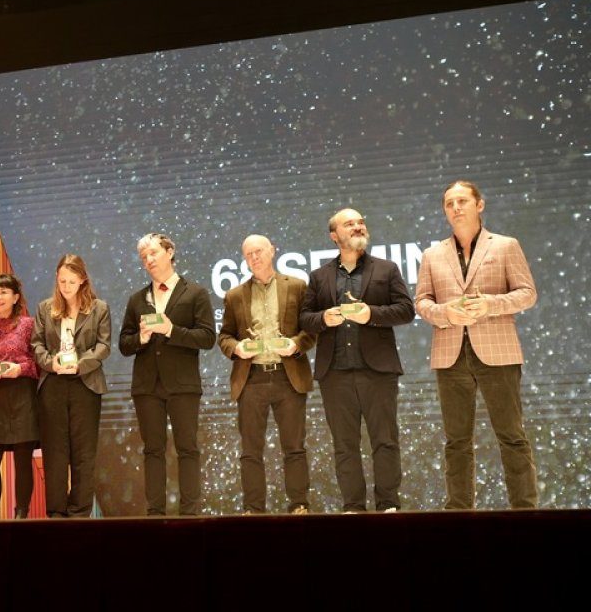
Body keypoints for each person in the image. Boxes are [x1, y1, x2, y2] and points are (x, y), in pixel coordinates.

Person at [415, 180, 538, 509]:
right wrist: (445, 313)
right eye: (449, 203)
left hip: (497, 352)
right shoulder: (432, 254)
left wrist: (490, 305)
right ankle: (458, 512)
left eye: (462, 201)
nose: (455, 207)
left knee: (511, 436)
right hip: (450, 355)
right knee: (456, 441)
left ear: (479, 205)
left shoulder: (505, 245)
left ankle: (526, 511)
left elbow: (527, 293)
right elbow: (422, 302)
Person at [299, 209, 415, 512]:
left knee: (385, 440)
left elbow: (406, 310)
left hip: (378, 371)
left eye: (361, 221)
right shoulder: (319, 276)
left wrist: (371, 315)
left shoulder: (386, 269)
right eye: (349, 223)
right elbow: (304, 319)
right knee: (344, 446)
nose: (358, 226)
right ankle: (353, 507)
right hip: (334, 373)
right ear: (334, 236)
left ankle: (388, 505)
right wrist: (323, 317)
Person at [218, 235, 317, 514]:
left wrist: (295, 344)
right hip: (251, 379)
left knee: (294, 447)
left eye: (259, 251)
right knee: (250, 451)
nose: (254, 257)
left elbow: (311, 330)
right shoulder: (235, 294)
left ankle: (299, 505)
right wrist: (237, 348)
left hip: (289, 376)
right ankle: (253, 510)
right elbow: (224, 335)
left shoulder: (297, 286)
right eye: (248, 254)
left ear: (272, 251)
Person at [119, 234, 215, 516]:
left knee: (188, 448)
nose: (148, 260)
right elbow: (124, 344)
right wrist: (142, 337)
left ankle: (190, 513)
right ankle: (155, 513)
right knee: (152, 450)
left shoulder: (195, 293)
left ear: (170, 252)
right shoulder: (137, 298)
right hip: (147, 386)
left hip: (183, 384)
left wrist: (172, 330)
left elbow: (208, 337)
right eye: (144, 257)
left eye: (153, 253)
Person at [31, 254, 112, 518]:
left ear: (82, 280)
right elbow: (37, 345)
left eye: (71, 281)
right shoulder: (45, 308)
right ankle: (55, 513)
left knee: (83, 453)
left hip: (85, 385)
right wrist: (50, 362)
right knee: (55, 452)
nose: (66, 286)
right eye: (62, 281)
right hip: (53, 385)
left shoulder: (99, 308)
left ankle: (79, 513)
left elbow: (103, 347)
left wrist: (80, 363)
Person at [0, 274, 40, 519]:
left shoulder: (28, 325)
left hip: (24, 397)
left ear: (15, 297)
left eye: (3, 292)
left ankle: (21, 515)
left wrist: (19, 369)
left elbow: (39, 364)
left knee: (23, 461)